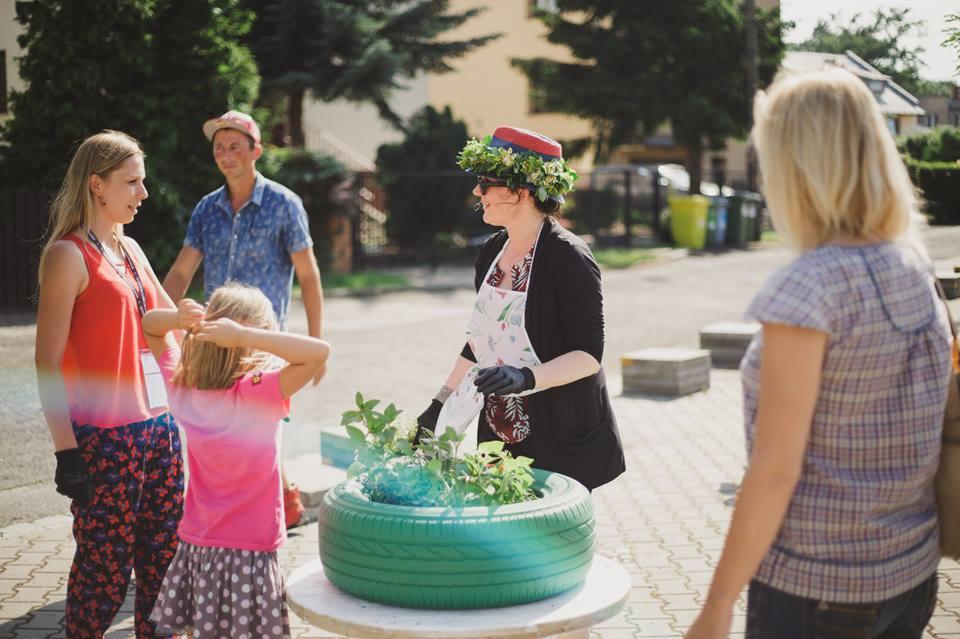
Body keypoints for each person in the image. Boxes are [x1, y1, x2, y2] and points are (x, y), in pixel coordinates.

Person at [685, 69, 951, 639]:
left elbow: (777, 471)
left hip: (817, 591)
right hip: (910, 575)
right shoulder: (912, 262)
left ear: (796, 167)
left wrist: (717, 605)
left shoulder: (808, 289)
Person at [416, 126, 625, 491]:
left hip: (559, 431)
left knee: (552, 540)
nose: (477, 192)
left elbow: (588, 354)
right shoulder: (492, 250)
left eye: (487, 182)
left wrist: (526, 378)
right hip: (499, 431)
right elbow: (480, 341)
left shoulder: (568, 257)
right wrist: (439, 403)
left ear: (523, 192)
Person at [33, 130, 184, 638]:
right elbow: (47, 363)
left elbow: (166, 323)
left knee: (164, 564)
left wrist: (220, 326)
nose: (144, 193)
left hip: (160, 431)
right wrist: (65, 453)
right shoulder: (68, 256)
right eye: (132, 182)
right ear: (97, 185)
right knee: (104, 573)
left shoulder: (131, 248)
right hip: (106, 440)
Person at [162, 110, 324, 527]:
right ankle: (265, 505)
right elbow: (182, 272)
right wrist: (161, 319)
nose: (226, 154)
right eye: (219, 147)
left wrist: (316, 341)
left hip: (264, 343)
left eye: (235, 146)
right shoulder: (206, 209)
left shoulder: (285, 204)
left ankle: (272, 512)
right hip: (214, 339)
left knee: (264, 429)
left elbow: (308, 276)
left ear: (256, 151)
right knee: (220, 431)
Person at [142, 283, 331, 638]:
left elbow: (150, 326)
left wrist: (178, 318)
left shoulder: (183, 387)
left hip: (200, 543)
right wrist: (247, 335)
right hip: (251, 549)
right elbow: (319, 352)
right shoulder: (259, 392)